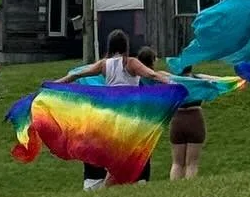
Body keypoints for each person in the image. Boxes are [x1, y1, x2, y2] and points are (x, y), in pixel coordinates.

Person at [65, 31, 177, 186]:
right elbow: (151, 75)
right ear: (126, 45)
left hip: (110, 115)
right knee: (128, 153)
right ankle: (108, 186)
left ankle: (115, 184)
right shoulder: (130, 63)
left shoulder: (104, 64)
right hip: (129, 114)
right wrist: (171, 84)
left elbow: (78, 74)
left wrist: (57, 82)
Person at [159, 44, 207, 180]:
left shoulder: (171, 81)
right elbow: (215, 82)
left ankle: (174, 190)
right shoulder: (198, 80)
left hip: (177, 119)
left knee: (176, 163)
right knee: (192, 163)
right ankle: (189, 191)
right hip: (195, 119)